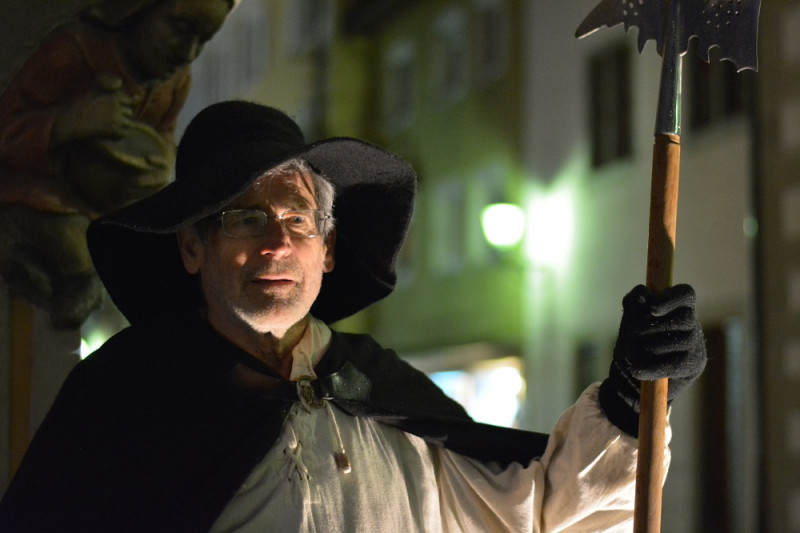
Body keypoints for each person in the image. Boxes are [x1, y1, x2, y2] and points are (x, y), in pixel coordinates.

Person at [0, 101, 707, 532]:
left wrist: (631, 395)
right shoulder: (123, 400)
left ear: (328, 248)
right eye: (244, 219)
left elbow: (548, 511)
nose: (276, 243)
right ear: (192, 246)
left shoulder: (378, 389)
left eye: (298, 220)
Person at [0, 0, 232, 327]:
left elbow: (164, 136)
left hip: (115, 203)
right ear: (137, 9)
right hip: (44, 193)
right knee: (78, 253)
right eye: (181, 29)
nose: (188, 52)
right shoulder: (76, 50)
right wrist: (71, 122)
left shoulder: (174, 81)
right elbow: (7, 133)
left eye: (203, 40)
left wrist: (160, 165)